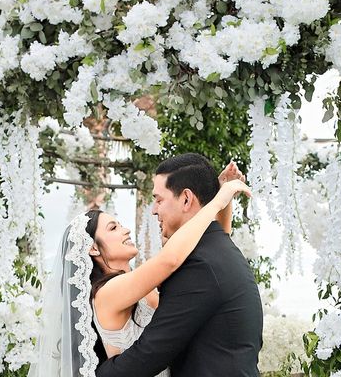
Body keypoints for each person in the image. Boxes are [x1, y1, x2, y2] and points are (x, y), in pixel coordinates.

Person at [28, 155, 255, 377]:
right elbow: (171, 260)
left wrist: (224, 204)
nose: (125, 230)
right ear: (93, 248)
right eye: (113, 228)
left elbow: (210, 251)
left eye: (158, 200)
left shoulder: (144, 290)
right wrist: (218, 200)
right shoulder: (107, 293)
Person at [96, 153, 263, 377]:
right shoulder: (214, 248)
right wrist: (219, 203)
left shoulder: (198, 264)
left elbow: (151, 352)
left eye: (159, 199)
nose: (154, 210)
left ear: (186, 199)